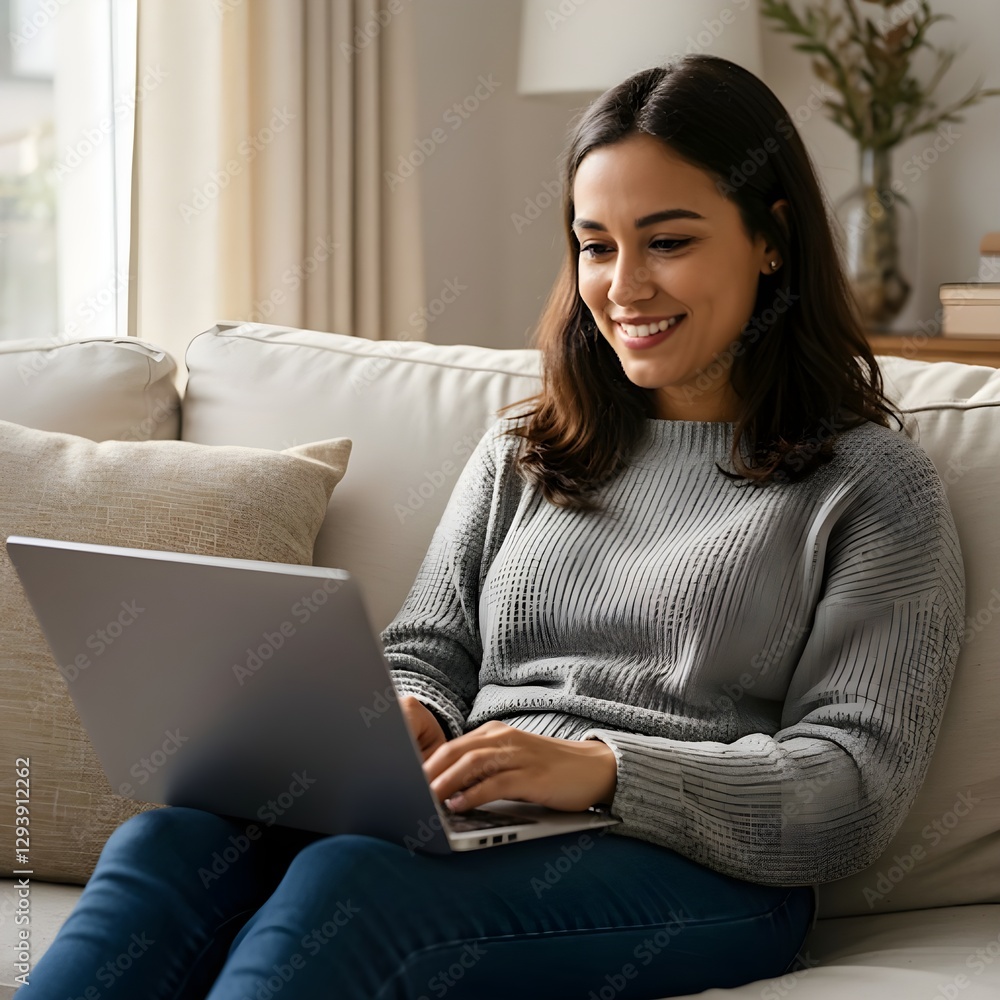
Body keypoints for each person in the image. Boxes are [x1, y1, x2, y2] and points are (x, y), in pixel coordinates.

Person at [21, 54, 964, 1000]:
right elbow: (430, 647)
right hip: (482, 817)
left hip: (706, 872)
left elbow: (851, 787)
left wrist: (600, 771)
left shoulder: (869, 485)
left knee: (353, 888)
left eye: (668, 241)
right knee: (172, 840)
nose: (625, 287)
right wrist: (407, 717)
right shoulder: (530, 447)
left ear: (771, 238)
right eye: (596, 245)